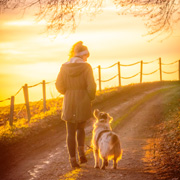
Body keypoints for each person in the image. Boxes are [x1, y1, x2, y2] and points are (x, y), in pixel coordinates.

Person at [55, 41, 96, 168]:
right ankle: (81, 153)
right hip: (83, 100)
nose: (87, 59)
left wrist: (67, 93)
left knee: (70, 132)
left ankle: (73, 160)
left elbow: (58, 85)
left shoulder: (64, 67)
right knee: (81, 129)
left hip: (69, 100)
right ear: (83, 55)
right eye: (86, 56)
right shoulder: (87, 67)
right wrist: (89, 97)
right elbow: (91, 86)